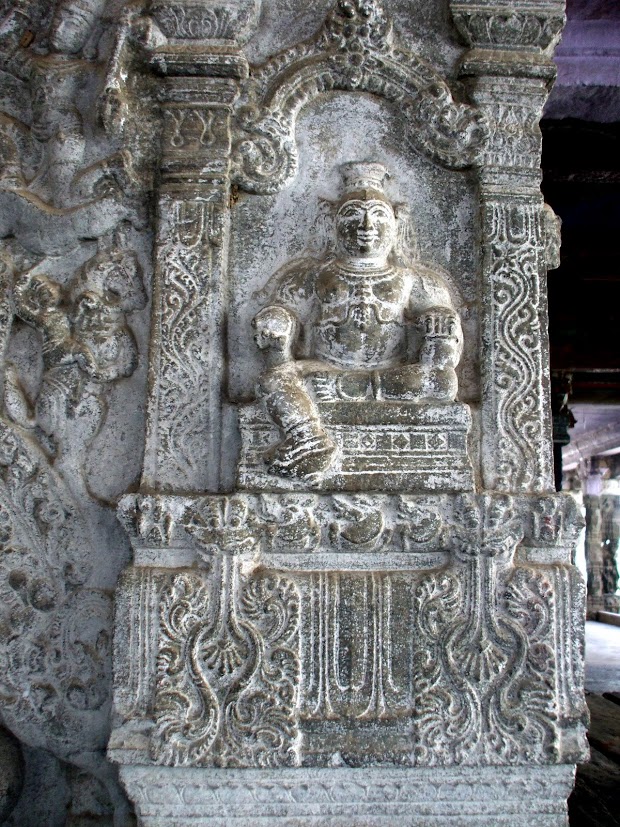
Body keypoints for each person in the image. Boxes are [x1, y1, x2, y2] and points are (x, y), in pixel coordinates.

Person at [252, 161, 463, 480]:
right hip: (324, 370)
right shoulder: (312, 276)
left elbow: (444, 358)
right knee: (272, 380)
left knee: (441, 383)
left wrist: (441, 327)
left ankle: (349, 392)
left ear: (396, 223)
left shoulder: (416, 281)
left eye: (378, 216)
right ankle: (308, 439)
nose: (366, 225)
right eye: (352, 215)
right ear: (332, 223)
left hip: (392, 374)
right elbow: (285, 309)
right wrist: (276, 319)